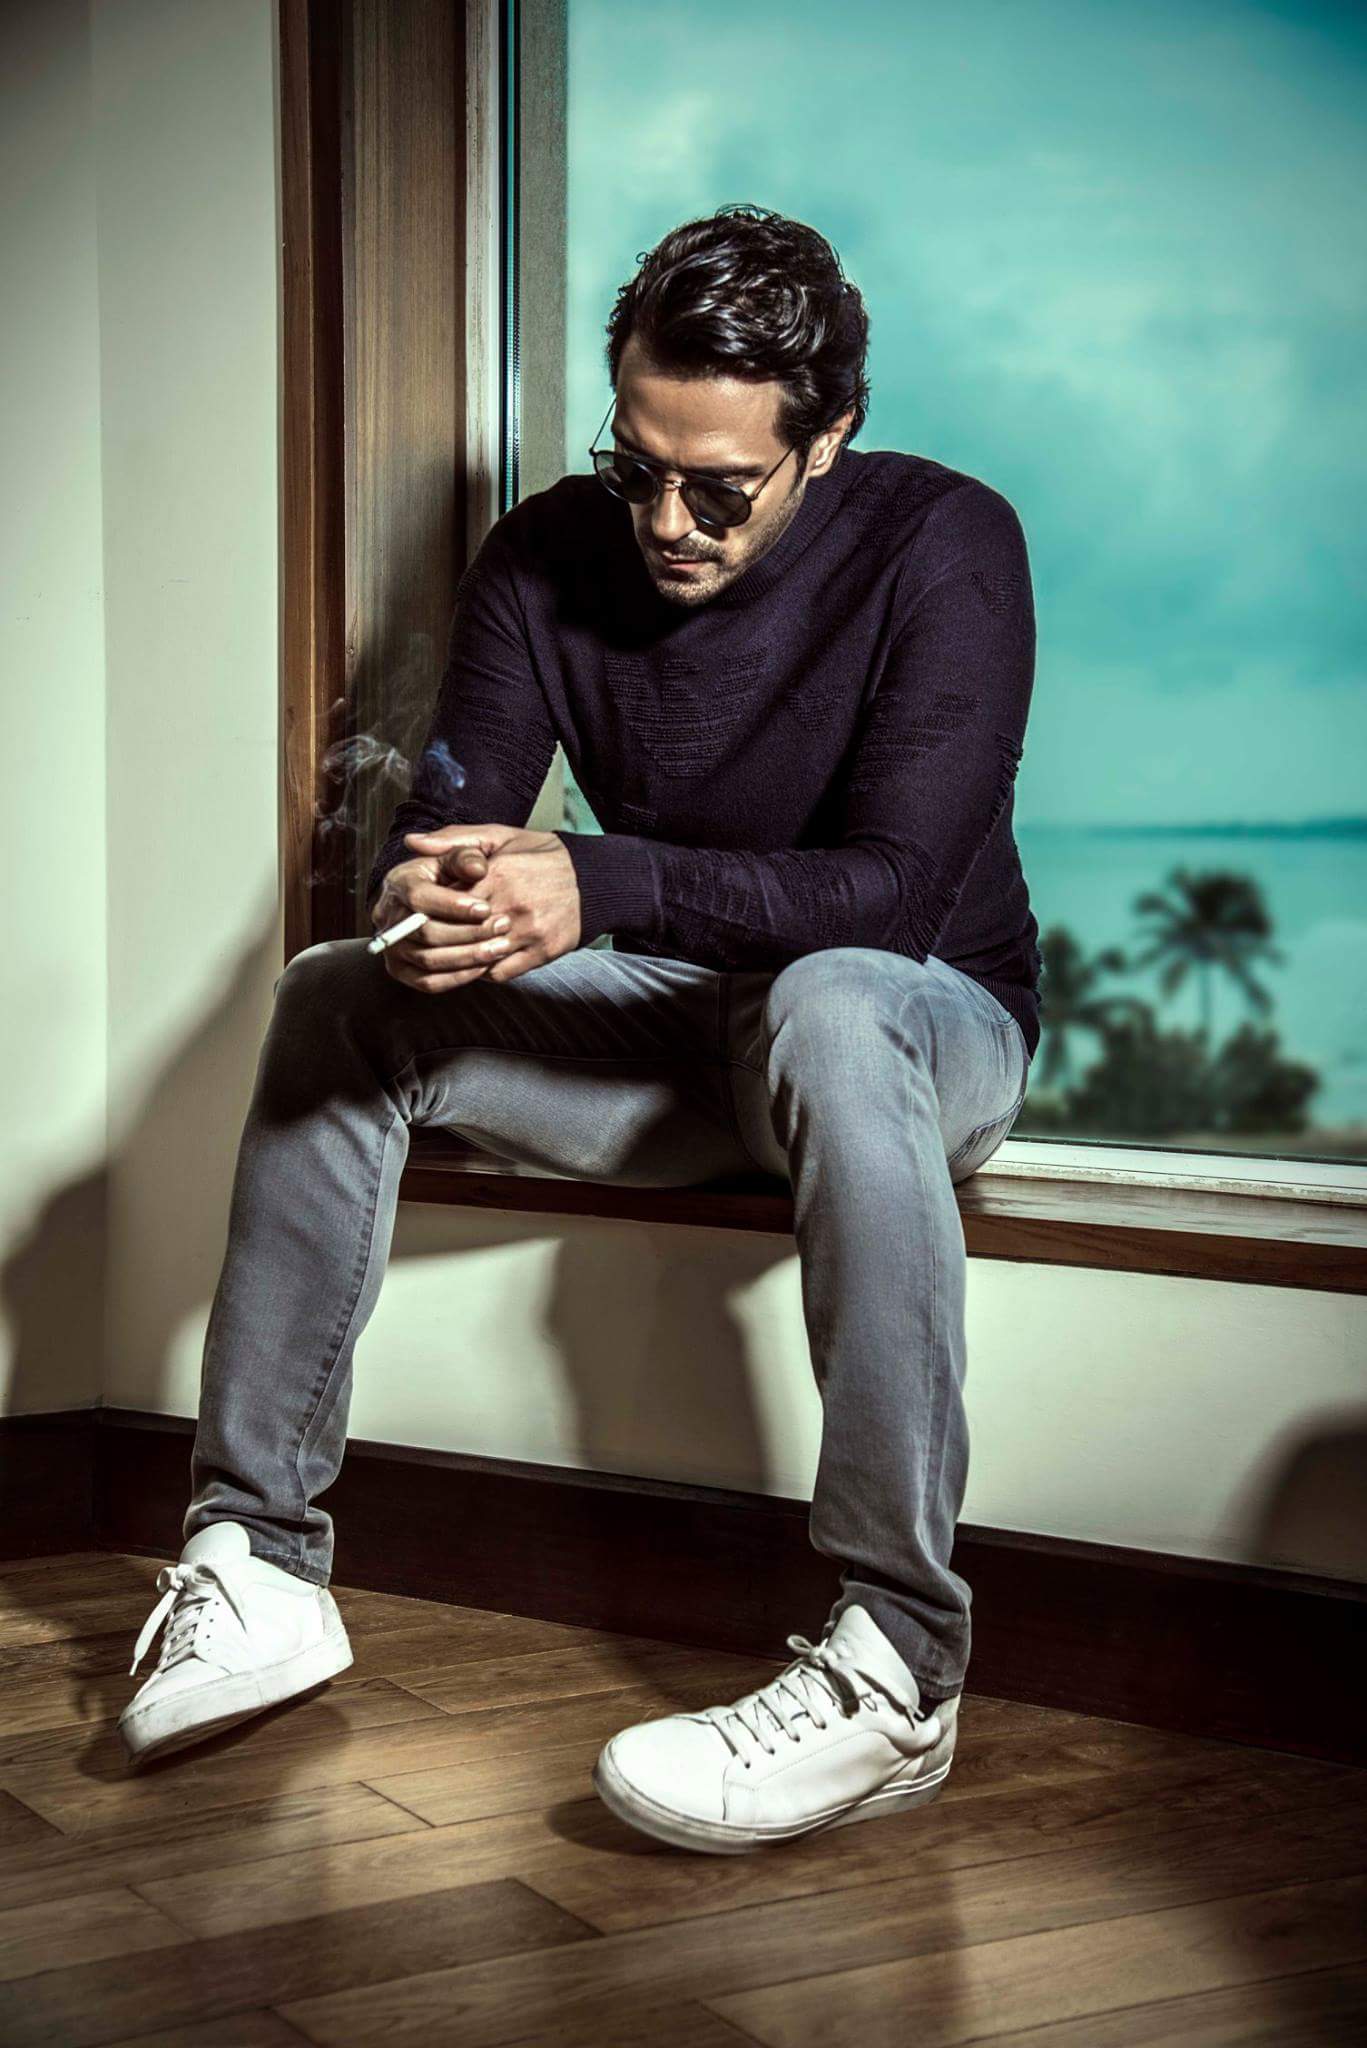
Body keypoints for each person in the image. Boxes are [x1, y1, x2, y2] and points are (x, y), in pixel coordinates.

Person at [120, 203, 1041, 1853]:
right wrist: (437, 893)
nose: (667, 523)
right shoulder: (545, 553)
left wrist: (598, 882)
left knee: (832, 1000)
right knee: (337, 990)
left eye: (720, 490)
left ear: (829, 437)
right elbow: (454, 821)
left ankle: (900, 1660)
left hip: (917, 1023)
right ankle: (258, 1562)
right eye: (638, 468)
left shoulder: (947, 539)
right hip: (687, 1032)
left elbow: (897, 893)